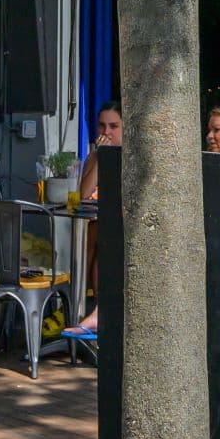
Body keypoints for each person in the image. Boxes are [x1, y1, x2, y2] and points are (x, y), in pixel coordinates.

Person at [69, 101, 123, 338]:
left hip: (122, 226)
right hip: (100, 223)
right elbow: (82, 194)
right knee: (93, 233)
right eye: (102, 126)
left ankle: (86, 309)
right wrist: (101, 158)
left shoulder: (132, 157)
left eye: (113, 126)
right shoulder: (97, 154)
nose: (106, 133)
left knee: (95, 236)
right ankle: (88, 311)